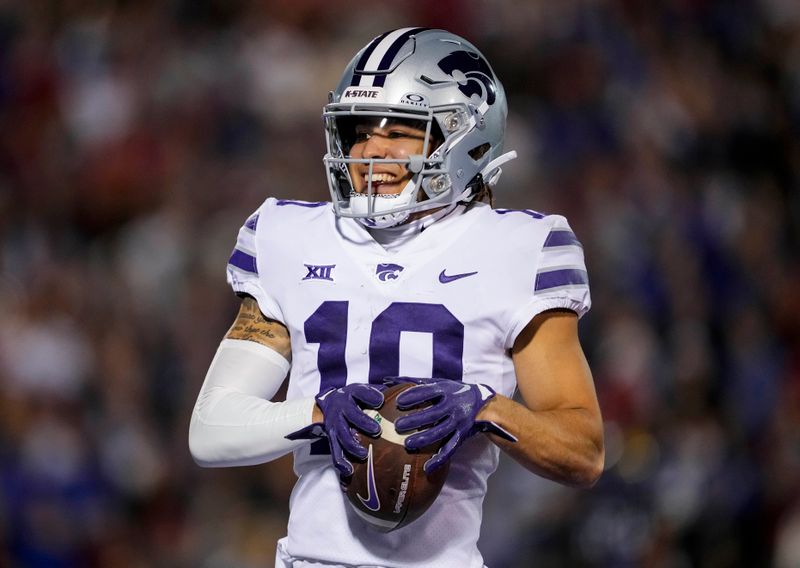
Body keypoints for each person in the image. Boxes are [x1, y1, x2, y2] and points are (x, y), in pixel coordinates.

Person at [189, 27, 604, 568]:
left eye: (402, 131)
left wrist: (486, 409)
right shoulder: (287, 236)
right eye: (360, 130)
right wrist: (316, 412)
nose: (370, 150)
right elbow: (211, 429)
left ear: (466, 139)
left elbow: (584, 450)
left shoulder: (522, 248)